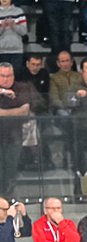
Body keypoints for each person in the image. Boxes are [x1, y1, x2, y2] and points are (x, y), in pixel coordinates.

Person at [0, 62, 30, 197]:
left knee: (11, 167)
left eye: (9, 75)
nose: (6, 79)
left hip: (14, 135)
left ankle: (7, 196)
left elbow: (24, 111)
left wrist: (2, 113)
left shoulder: (21, 88)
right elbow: (18, 110)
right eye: (2, 76)